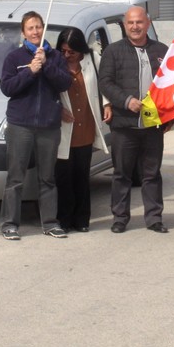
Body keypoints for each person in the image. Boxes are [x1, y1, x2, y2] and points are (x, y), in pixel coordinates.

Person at [0, 11, 73, 240]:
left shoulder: (56, 57)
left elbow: (65, 82)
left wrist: (46, 64)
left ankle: (50, 222)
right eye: (30, 28)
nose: (35, 32)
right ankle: (9, 224)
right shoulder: (14, 58)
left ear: (43, 29)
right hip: (20, 124)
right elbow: (7, 88)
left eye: (38, 27)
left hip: (48, 125)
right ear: (23, 32)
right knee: (16, 177)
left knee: (47, 177)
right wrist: (30, 71)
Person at [98, 7, 170, 234]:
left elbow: (171, 84)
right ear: (125, 25)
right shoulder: (113, 51)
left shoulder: (162, 51)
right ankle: (120, 218)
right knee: (122, 173)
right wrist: (125, 100)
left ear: (148, 23)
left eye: (139, 22)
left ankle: (154, 218)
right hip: (124, 124)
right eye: (130, 23)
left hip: (152, 125)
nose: (135, 27)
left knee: (151, 174)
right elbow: (105, 82)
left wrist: (170, 114)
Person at [56, 27, 110, 232]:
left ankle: (82, 220)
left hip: (86, 125)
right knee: (64, 178)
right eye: (64, 51)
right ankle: (64, 220)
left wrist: (107, 104)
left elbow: (102, 83)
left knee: (81, 176)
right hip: (64, 130)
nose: (68, 55)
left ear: (81, 50)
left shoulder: (93, 59)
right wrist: (57, 109)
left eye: (72, 51)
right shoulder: (56, 62)